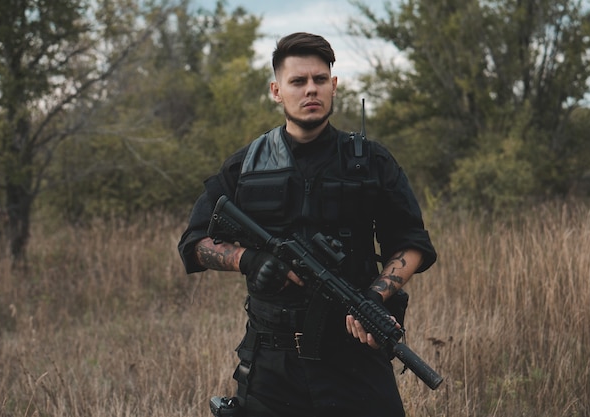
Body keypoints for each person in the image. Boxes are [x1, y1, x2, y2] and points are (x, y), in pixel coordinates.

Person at [178, 32, 437, 417]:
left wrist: (375, 296)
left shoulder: (371, 162)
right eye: (298, 81)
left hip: (355, 356)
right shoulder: (246, 164)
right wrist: (250, 261)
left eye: (319, 80)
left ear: (333, 86)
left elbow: (412, 243)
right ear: (277, 90)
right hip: (271, 362)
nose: (310, 90)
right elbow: (195, 243)